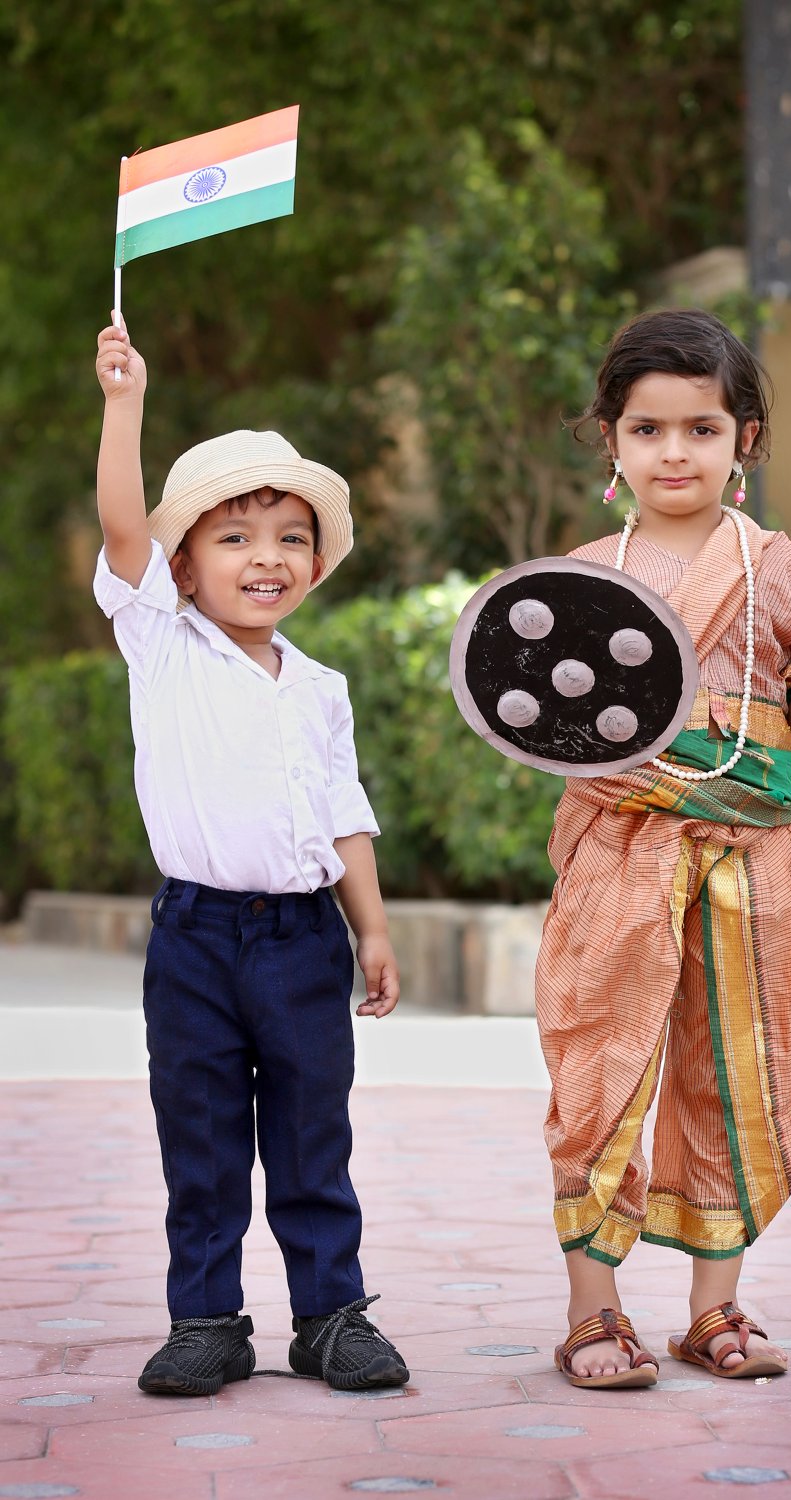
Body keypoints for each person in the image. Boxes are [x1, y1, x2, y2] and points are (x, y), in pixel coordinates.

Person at [538, 308, 791, 1387]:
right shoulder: (584, 578)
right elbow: (547, 726)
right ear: (611, 440)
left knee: (736, 1070)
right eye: (646, 430)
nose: (672, 452)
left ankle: (713, 1311)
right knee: (604, 1069)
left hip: (756, 856)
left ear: (746, 440)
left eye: (699, 428)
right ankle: (595, 1315)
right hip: (619, 856)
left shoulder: (786, 573)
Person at [93, 319, 409, 1398]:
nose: (264, 557)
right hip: (194, 939)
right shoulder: (160, 641)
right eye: (233, 538)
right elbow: (121, 527)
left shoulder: (320, 688)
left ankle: (330, 1316)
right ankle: (206, 1322)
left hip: (302, 940)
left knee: (314, 1134)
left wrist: (369, 926)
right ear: (181, 567)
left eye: (287, 537)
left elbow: (343, 811)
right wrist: (125, 403)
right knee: (203, 1137)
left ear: (316, 563)